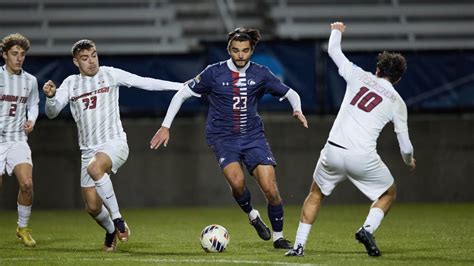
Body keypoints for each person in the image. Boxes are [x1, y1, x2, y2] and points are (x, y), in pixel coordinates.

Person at [150, 28, 308, 249]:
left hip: (253, 136)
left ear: (252, 50)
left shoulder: (261, 73)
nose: (240, 55)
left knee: (270, 188)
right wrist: (165, 126)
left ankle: (278, 237)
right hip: (222, 137)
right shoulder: (213, 73)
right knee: (237, 182)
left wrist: (297, 109)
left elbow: (291, 93)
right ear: (229, 50)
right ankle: (252, 214)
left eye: (245, 50)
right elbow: (182, 94)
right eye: (235, 50)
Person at [285, 22, 416, 257]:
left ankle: (298, 247)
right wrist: (409, 162)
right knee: (388, 193)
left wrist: (336, 29)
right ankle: (367, 229)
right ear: (397, 80)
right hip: (362, 156)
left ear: (377, 69)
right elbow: (405, 147)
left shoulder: (359, 75)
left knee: (316, 194)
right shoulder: (397, 102)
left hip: (333, 151)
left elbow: (333, 50)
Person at [43, 39, 183, 251]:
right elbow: (52, 113)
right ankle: (110, 230)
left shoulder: (110, 74)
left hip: (114, 143)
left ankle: (118, 220)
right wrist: (51, 97)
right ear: (75, 62)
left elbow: (145, 82)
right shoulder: (71, 83)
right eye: (84, 58)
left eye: (94, 55)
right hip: (87, 151)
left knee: (95, 168)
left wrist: (182, 86)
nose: (91, 61)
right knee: (92, 207)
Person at [0, 33, 39, 247]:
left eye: (22, 54)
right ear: (5, 55)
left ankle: (22, 228)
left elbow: (33, 104)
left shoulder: (30, 80)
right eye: (14, 54)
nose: (19, 58)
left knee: (27, 183)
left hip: (17, 139)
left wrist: (31, 120)